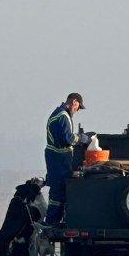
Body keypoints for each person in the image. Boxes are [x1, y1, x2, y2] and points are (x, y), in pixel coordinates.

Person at [44, 92, 93, 225]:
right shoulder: (63, 116)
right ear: (74, 102)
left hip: (56, 158)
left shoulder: (58, 114)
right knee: (59, 191)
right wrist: (84, 138)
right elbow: (69, 138)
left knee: (57, 191)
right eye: (78, 107)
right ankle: (51, 222)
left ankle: (52, 221)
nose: (77, 110)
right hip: (59, 159)